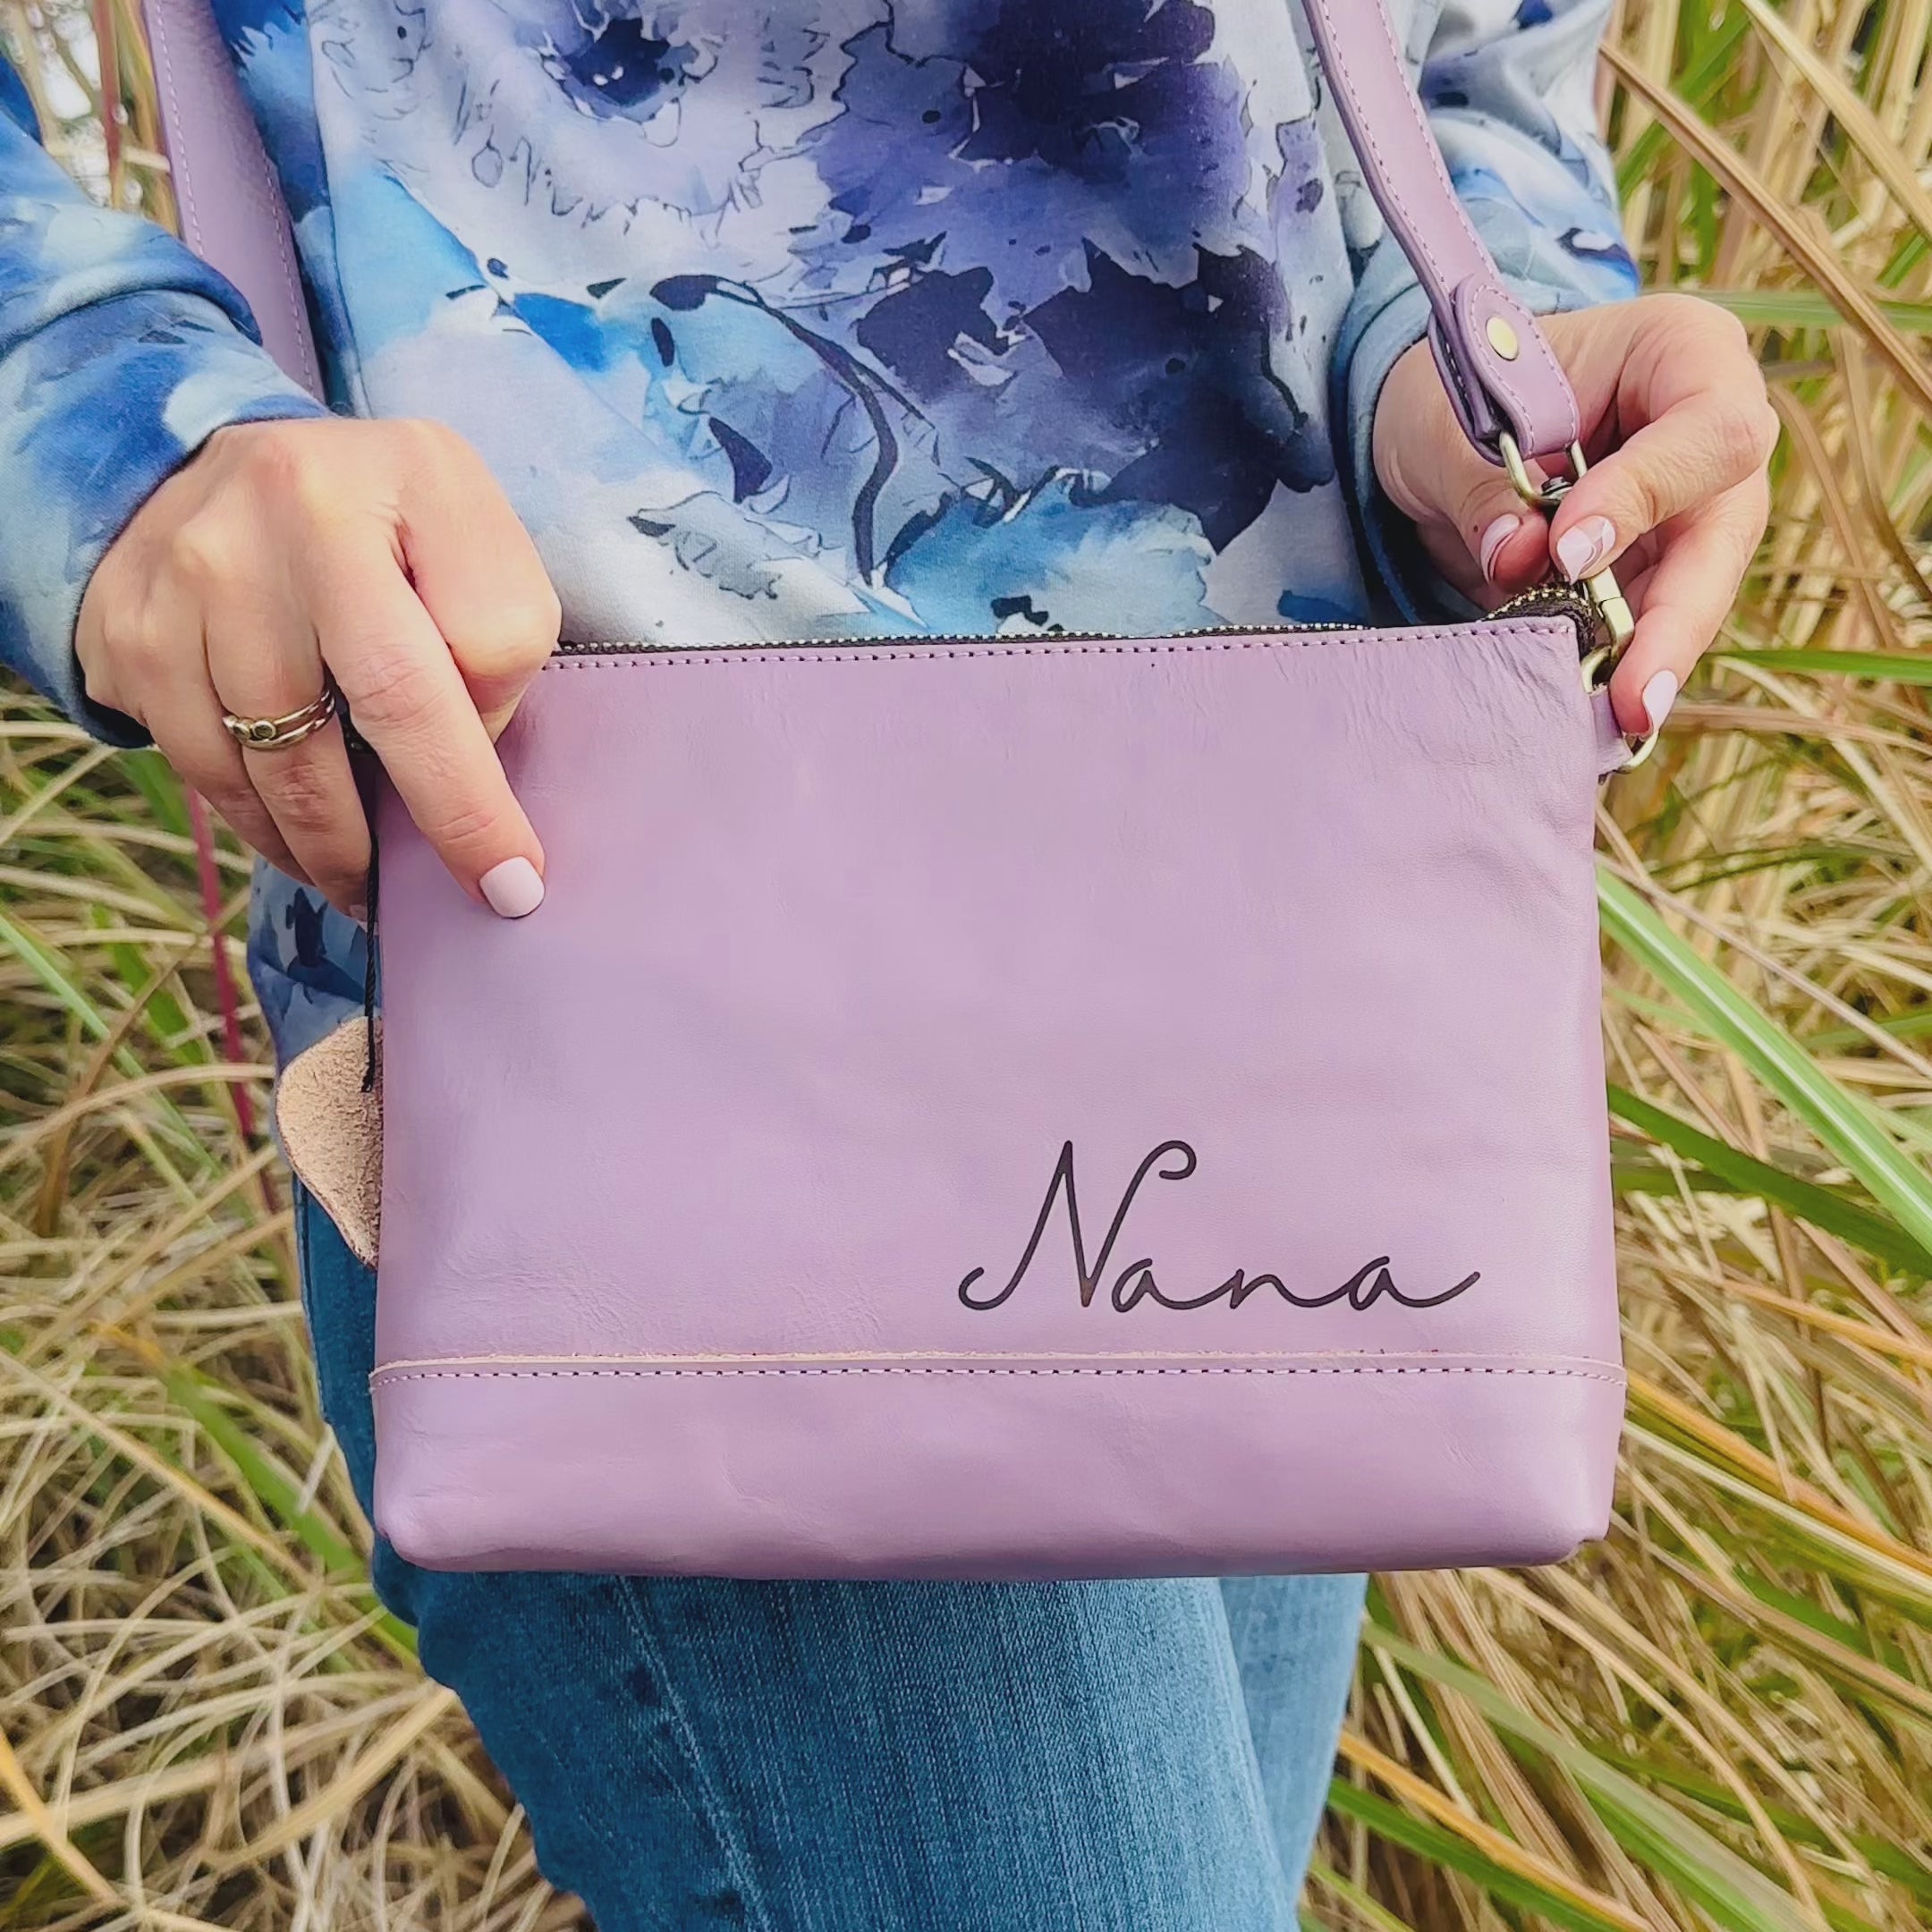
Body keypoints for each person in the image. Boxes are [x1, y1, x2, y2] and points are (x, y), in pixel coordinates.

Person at [0, 0, 1772, 1920]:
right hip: (636, 960)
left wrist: (1482, 373)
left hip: (1276, 913)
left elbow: (1465, 67)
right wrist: (127, 436)